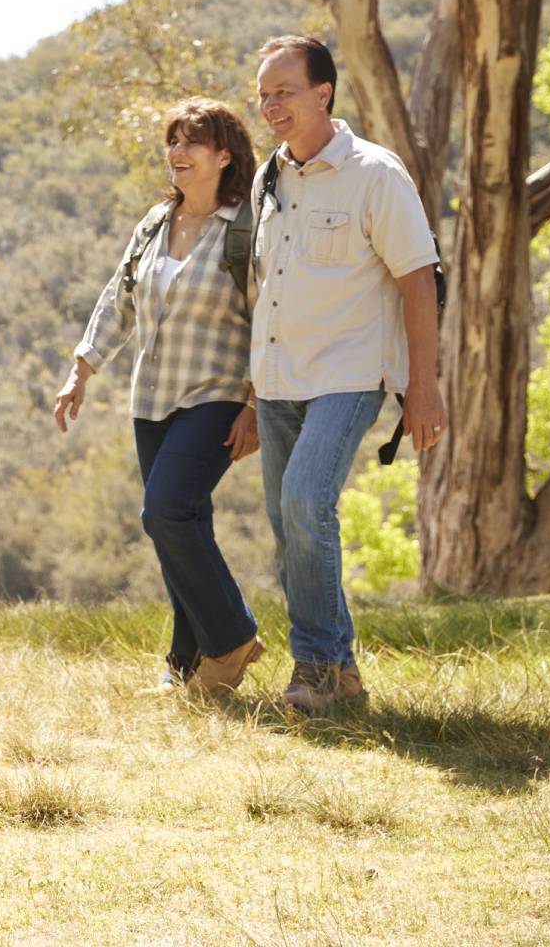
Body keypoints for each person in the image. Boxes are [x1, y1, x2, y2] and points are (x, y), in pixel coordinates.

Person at [249, 35, 445, 713]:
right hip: (278, 377)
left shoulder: (375, 173)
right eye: (265, 94)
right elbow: (268, 286)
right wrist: (251, 388)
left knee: (308, 501)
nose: (272, 105)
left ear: (323, 93)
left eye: (285, 92)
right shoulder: (268, 177)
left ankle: (316, 669)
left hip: (351, 372)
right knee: (287, 524)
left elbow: (418, 278)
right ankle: (342, 676)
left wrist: (424, 386)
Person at [55, 99, 265, 694]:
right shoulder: (154, 223)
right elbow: (116, 300)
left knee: (166, 511)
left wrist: (254, 405)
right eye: (172, 141)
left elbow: (270, 319)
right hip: (152, 399)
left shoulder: (245, 229)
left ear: (224, 155)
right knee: (181, 524)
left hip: (218, 394)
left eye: (192, 142)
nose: (177, 153)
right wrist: (81, 370)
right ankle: (187, 665)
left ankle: (233, 638)